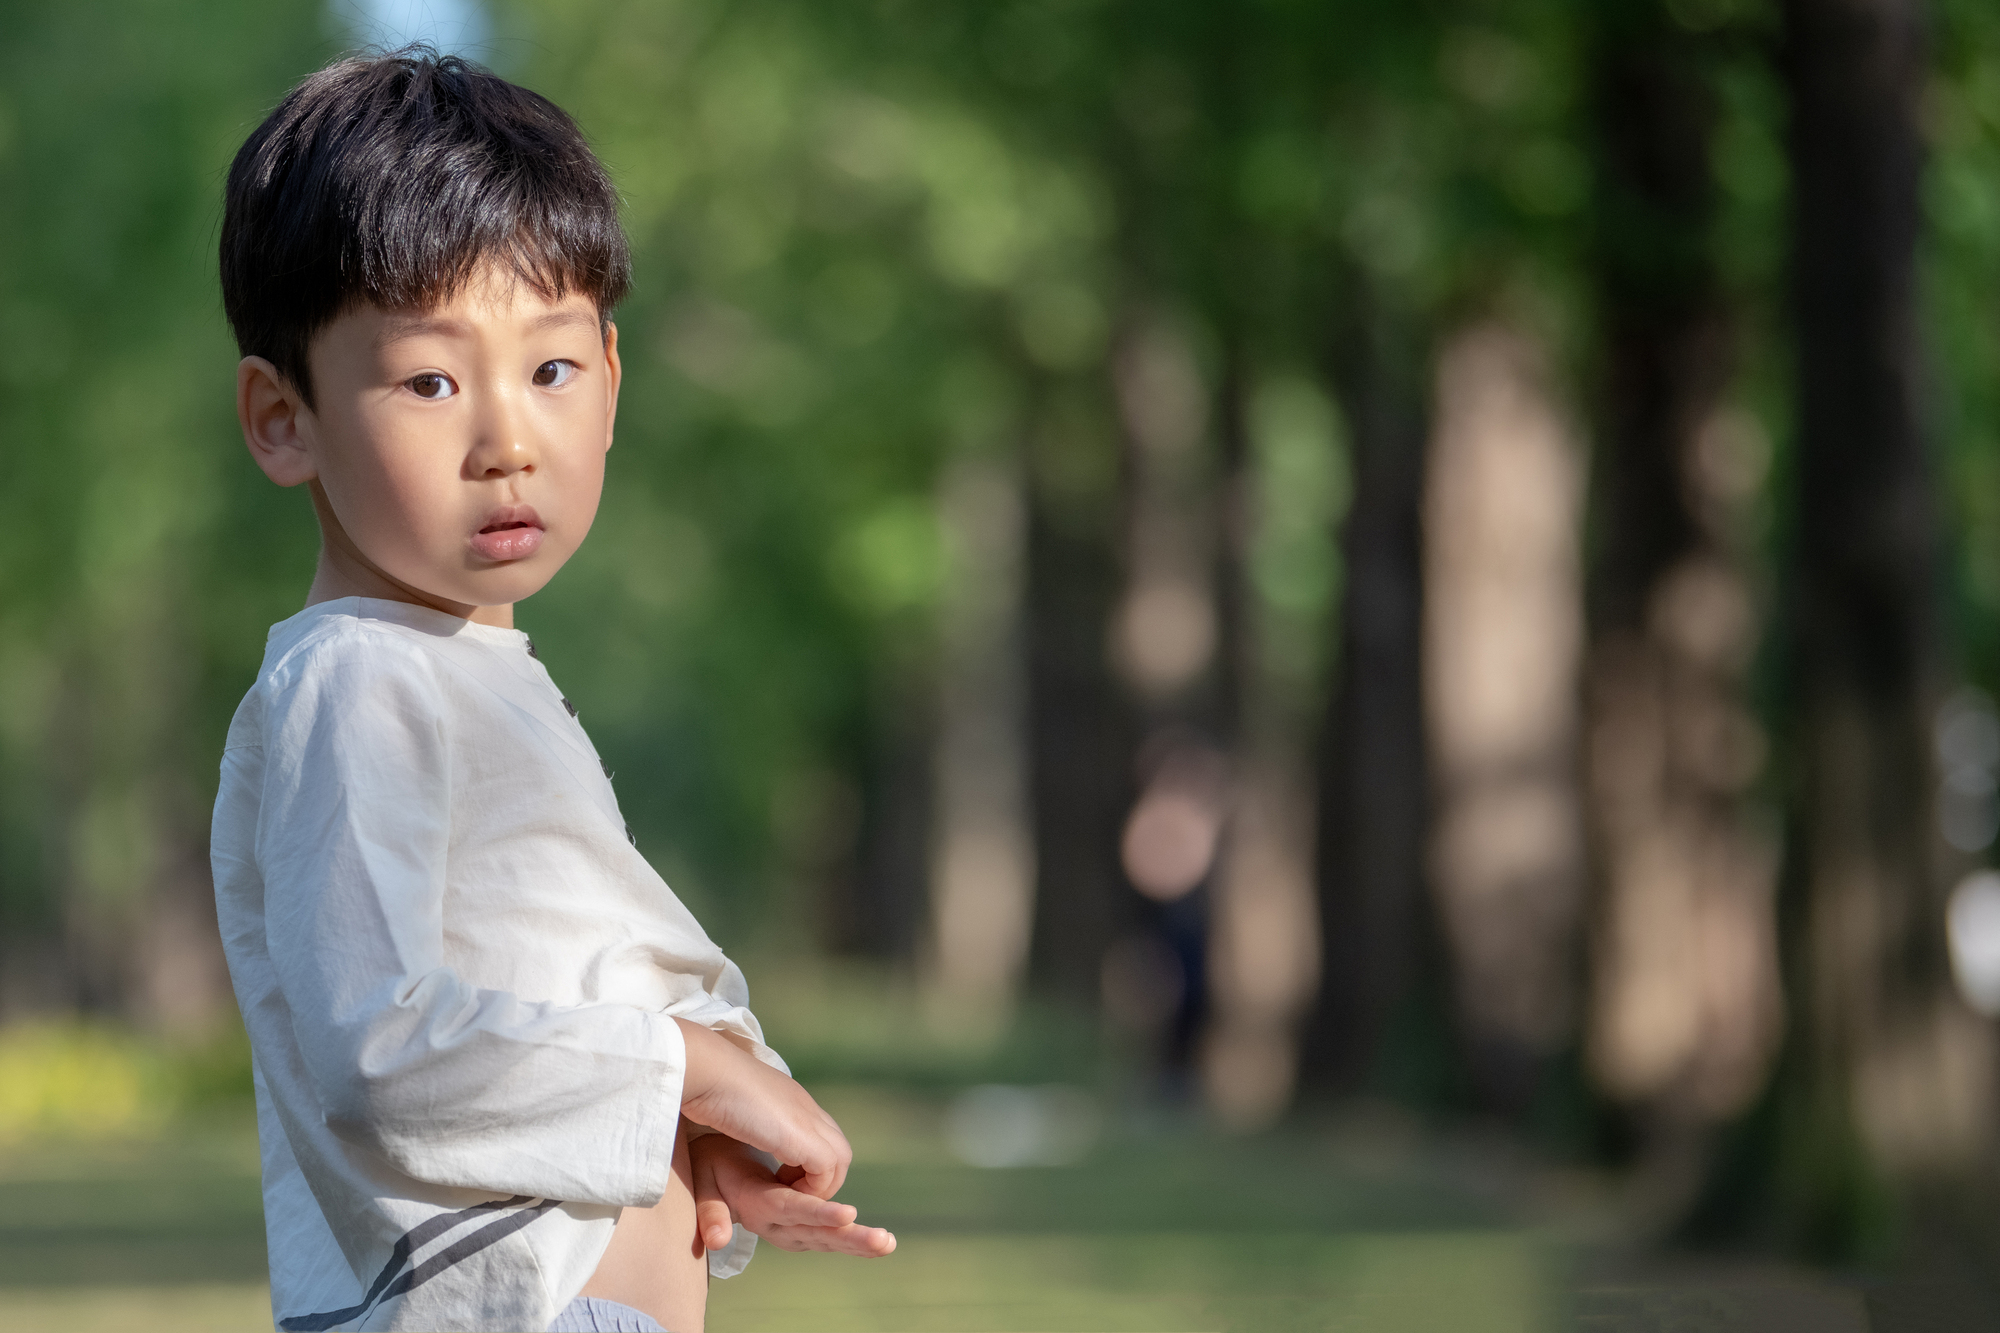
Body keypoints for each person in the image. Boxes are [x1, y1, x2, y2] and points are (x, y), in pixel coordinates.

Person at [210, 49, 893, 1333]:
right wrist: (681, 1066)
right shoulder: (358, 684)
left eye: (551, 369)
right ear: (282, 417)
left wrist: (695, 1130)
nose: (507, 437)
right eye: (429, 379)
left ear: (612, 384)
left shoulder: (460, 676)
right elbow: (377, 1052)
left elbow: (571, 973)